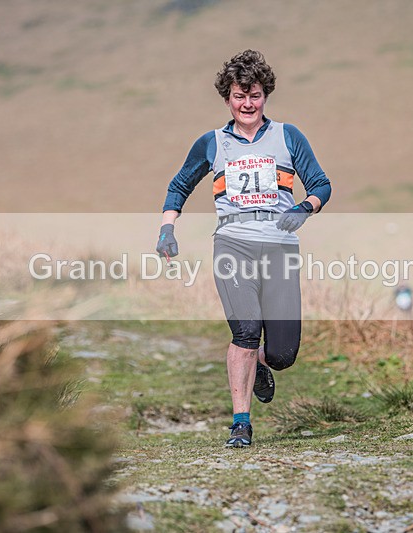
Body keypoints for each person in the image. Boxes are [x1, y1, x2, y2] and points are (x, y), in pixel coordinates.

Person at [156, 50, 332, 448]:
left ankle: (263, 367)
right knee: (246, 331)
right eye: (239, 96)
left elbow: (321, 184)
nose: (247, 104)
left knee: (284, 352)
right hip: (233, 245)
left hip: (281, 248)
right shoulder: (212, 143)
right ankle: (240, 424)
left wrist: (305, 208)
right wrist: (167, 230)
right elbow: (179, 186)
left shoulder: (288, 136)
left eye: (254, 96)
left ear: (265, 94)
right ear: (227, 98)